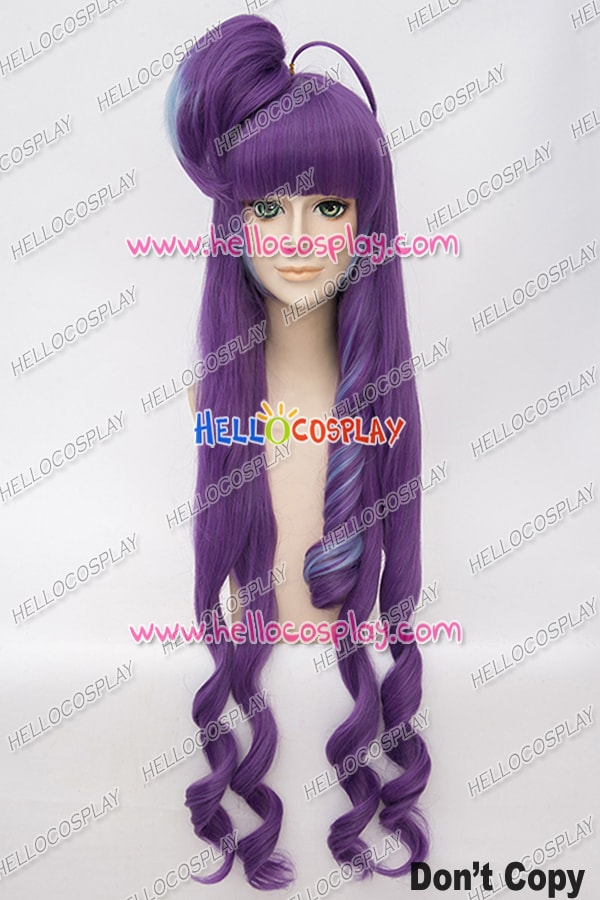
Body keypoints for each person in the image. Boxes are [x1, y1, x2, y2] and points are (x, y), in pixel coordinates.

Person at [166, 13, 430, 890]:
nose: (299, 242)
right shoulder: (214, 403)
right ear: (233, 222)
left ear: (366, 220)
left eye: (330, 208)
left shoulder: (385, 404)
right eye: (268, 208)